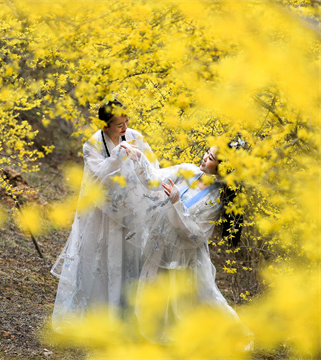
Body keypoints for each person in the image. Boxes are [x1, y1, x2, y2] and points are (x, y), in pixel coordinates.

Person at [51, 100, 158, 330]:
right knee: (101, 260)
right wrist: (118, 156)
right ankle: (97, 316)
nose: (125, 128)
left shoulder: (135, 137)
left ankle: (125, 316)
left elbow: (153, 169)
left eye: (126, 121)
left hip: (130, 211)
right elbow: (98, 177)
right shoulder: (92, 144)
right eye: (119, 124)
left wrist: (140, 161)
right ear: (105, 126)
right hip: (101, 214)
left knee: (129, 258)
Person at [134, 144, 246, 343]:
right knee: (151, 285)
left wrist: (176, 202)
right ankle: (146, 331)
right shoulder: (188, 171)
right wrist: (137, 157)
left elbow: (196, 235)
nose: (204, 158)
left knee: (183, 300)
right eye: (207, 152)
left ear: (222, 167)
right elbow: (153, 178)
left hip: (184, 255)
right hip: (161, 243)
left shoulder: (216, 198)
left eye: (211, 157)